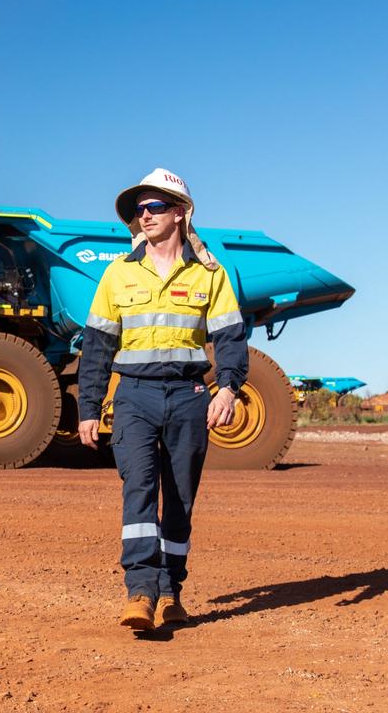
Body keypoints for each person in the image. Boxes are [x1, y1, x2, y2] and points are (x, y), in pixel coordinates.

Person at [77, 168, 248, 631]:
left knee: (179, 500)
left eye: (155, 207)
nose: (145, 215)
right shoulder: (117, 274)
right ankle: (140, 591)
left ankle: (172, 591)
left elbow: (230, 338)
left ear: (180, 213)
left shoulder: (209, 275)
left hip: (190, 396)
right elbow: (96, 346)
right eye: (140, 208)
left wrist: (228, 388)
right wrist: (88, 407)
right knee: (138, 490)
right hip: (133, 396)